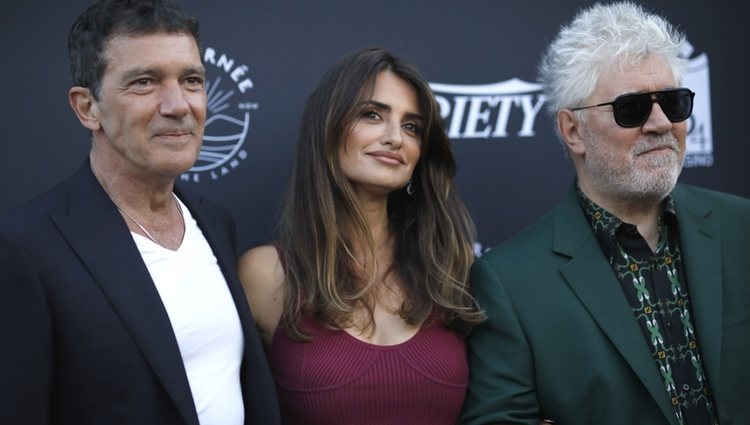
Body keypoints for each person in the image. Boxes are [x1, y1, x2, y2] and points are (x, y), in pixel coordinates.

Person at [460, 2, 750, 425]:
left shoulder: (742, 228)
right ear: (573, 130)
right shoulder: (509, 283)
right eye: (631, 108)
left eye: (672, 102)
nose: (660, 123)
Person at [0, 0, 280, 424]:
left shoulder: (214, 222)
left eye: (191, 80)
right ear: (86, 107)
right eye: (145, 82)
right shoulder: (26, 247)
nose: (178, 105)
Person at [238, 47, 484, 424]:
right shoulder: (266, 274)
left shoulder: (451, 266)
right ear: (329, 127)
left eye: (411, 126)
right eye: (372, 115)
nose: (395, 138)